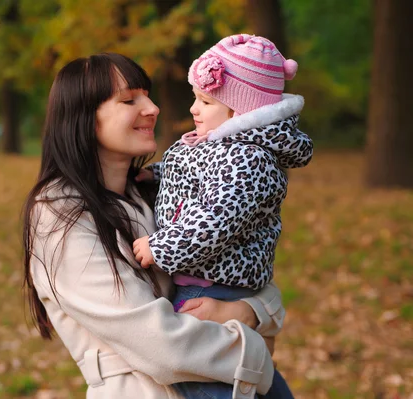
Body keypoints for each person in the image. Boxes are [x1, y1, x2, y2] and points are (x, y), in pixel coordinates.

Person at [23, 52, 287, 399]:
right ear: (84, 118)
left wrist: (242, 311)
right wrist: (256, 353)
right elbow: (161, 346)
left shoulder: (162, 193)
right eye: (129, 99)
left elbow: (254, 277)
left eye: (146, 94)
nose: (152, 107)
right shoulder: (60, 215)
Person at [132, 34, 314, 398]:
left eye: (205, 101)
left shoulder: (247, 160)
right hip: (208, 279)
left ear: (237, 112)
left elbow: (215, 221)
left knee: (209, 377)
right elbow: (191, 175)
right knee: (249, 373)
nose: (194, 109)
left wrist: (160, 247)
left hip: (214, 283)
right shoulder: (220, 146)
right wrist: (156, 175)